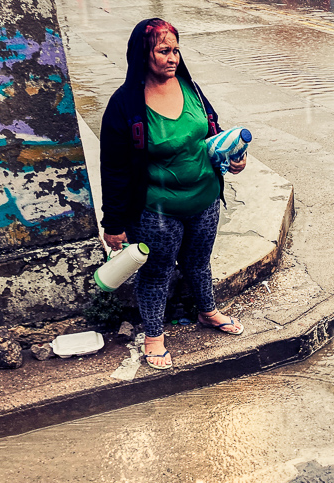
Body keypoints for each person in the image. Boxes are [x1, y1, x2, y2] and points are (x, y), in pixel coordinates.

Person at [100, 18, 245, 370]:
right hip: (156, 212)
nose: (173, 58)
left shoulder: (191, 88)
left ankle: (207, 312)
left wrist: (233, 156)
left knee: (199, 262)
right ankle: (153, 337)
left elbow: (212, 130)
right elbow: (115, 169)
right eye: (163, 51)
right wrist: (114, 223)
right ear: (142, 55)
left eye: (176, 50)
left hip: (205, 200)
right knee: (156, 273)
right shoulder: (125, 106)